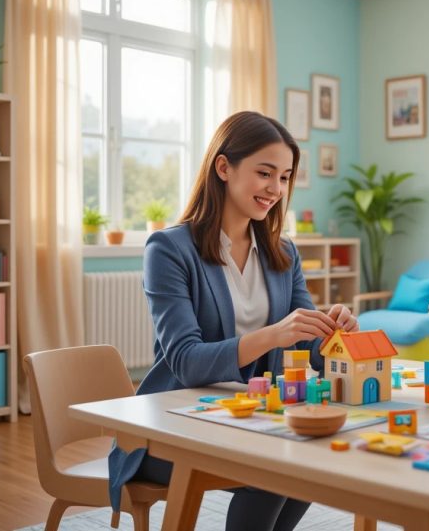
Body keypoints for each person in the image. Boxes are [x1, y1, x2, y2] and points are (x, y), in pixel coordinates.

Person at [108, 111, 358, 531]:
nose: (275, 189)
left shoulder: (283, 253)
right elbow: (186, 362)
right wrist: (273, 335)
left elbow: (308, 347)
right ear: (223, 167)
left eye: (284, 177)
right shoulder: (169, 250)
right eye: (265, 173)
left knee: (312, 458)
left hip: (251, 420)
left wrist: (337, 333)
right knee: (272, 470)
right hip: (171, 430)